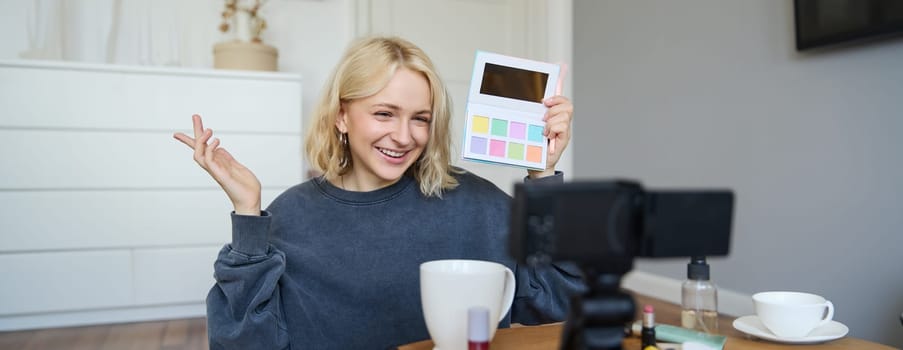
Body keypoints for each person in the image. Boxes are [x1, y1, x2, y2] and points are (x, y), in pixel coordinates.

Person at [173, 36, 583, 350]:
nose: (403, 137)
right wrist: (247, 215)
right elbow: (243, 342)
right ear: (341, 116)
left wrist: (543, 176)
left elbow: (564, 298)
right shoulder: (290, 217)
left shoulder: (477, 203)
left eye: (420, 119)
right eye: (384, 113)